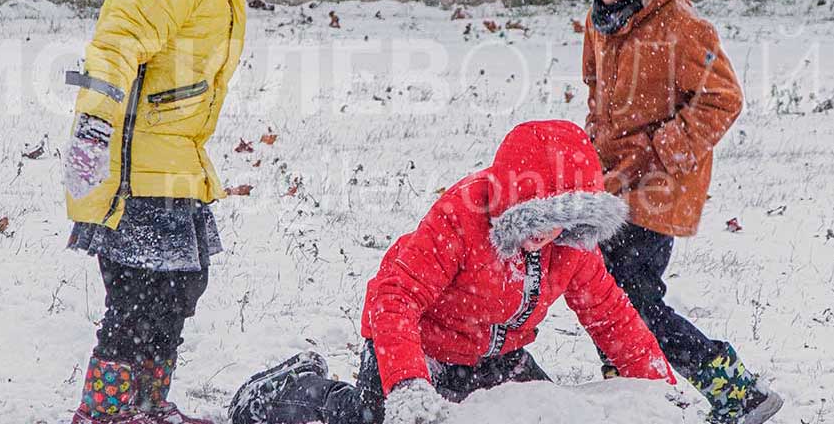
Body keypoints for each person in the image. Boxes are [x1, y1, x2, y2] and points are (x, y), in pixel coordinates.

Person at [227, 120, 676, 424]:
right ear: (510, 203)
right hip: (421, 344)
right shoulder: (461, 218)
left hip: (495, 355)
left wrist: (662, 393)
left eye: (558, 218)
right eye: (533, 218)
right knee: (369, 418)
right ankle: (290, 390)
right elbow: (395, 298)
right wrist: (408, 385)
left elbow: (612, 316)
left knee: (542, 412)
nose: (545, 233)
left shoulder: (572, 248)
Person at [61, 0, 272, 422]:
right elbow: (114, 46)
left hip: (179, 164)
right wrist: (92, 129)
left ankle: (148, 403)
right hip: (141, 172)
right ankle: (106, 411)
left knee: (179, 289)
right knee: (139, 298)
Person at [568, 0, 782, 424]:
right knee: (606, 296)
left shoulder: (683, 29)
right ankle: (629, 392)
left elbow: (723, 98)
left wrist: (664, 148)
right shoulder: (602, 20)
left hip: (659, 189)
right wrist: (593, 141)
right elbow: (595, 86)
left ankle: (734, 388)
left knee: (635, 301)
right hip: (611, 181)